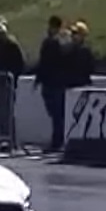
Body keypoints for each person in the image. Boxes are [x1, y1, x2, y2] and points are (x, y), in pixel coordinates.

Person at [0, 18, 25, 149]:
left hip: (6, 84)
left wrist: (12, 77)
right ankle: (2, 138)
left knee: (7, 113)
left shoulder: (11, 46)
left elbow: (19, 64)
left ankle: (10, 140)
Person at [33, 14, 69, 152]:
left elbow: (46, 63)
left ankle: (57, 141)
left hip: (54, 82)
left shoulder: (54, 43)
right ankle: (57, 140)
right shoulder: (55, 42)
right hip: (51, 81)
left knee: (57, 114)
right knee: (55, 113)